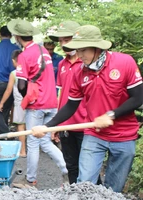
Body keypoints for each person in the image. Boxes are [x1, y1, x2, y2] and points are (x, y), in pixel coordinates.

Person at [32, 25, 143, 193]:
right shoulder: (79, 73)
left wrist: (112, 114)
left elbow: (138, 97)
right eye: (78, 50)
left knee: (113, 190)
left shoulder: (124, 62)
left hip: (124, 135)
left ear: (97, 48)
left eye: (83, 50)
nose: (80, 55)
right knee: (84, 185)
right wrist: (48, 126)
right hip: (94, 134)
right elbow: (70, 105)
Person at [7, 19, 68, 187]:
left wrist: (27, 99)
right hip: (52, 102)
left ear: (17, 36)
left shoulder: (25, 55)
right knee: (46, 142)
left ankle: (30, 180)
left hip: (37, 105)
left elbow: (21, 85)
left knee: (33, 142)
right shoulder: (43, 50)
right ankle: (66, 169)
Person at [48, 20, 84, 184]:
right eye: (61, 41)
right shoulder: (62, 64)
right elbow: (61, 95)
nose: (63, 44)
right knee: (71, 165)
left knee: (87, 167)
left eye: (66, 40)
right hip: (66, 124)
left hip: (84, 124)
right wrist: (57, 124)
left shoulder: (87, 63)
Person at [0, 49, 26, 157]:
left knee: (21, 126)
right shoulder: (30, 71)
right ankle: (33, 150)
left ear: (14, 61)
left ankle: (23, 151)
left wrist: (1, 103)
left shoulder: (14, 73)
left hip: (20, 103)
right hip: (32, 103)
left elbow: (8, 90)